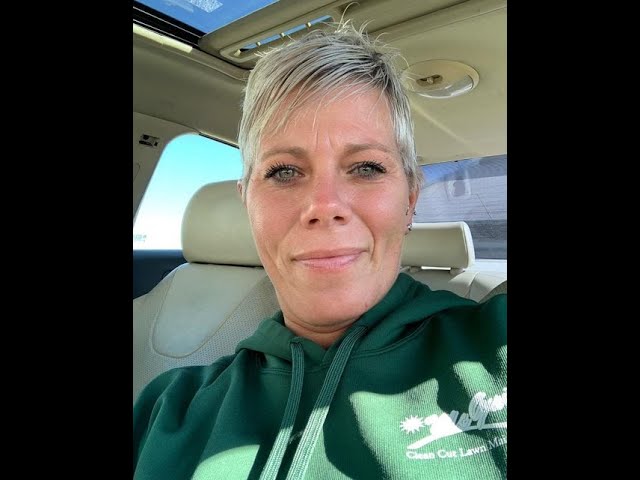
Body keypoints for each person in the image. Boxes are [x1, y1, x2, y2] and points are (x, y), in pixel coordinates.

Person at [133, 21, 507, 480]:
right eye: (284, 172)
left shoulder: (496, 344)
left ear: (410, 198)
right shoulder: (167, 406)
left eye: (366, 167)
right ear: (248, 202)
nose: (324, 206)